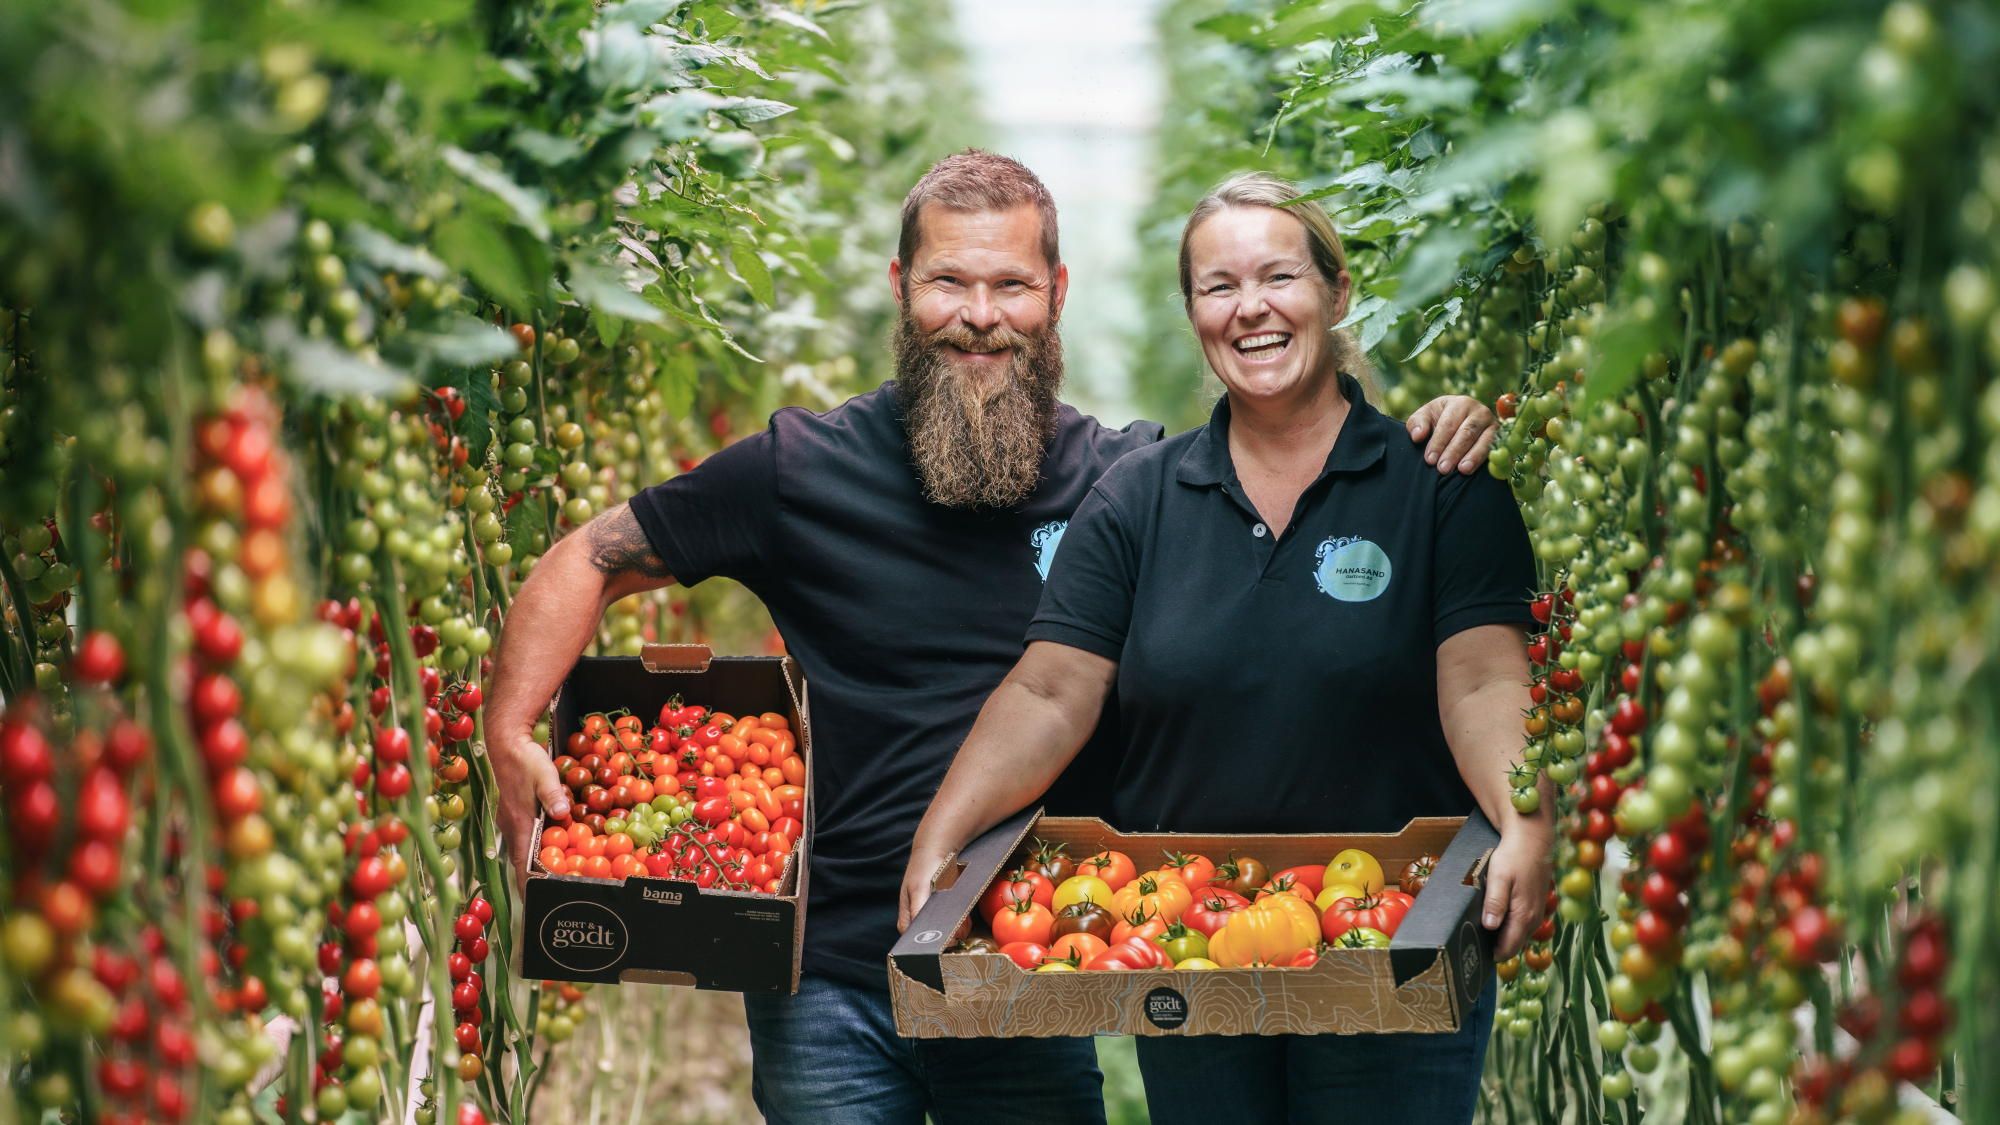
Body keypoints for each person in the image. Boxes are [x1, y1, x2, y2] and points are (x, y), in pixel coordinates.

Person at [485, 151, 1500, 1125]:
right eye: (948, 283)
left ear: (1056, 294)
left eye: (1011, 284)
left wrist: (1424, 437)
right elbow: (592, 558)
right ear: (901, 288)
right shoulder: (798, 470)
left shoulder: (1124, 482)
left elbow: (1285, 507)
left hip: (1020, 955)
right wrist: (510, 728)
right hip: (828, 972)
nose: (980, 315)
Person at [899, 171, 1553, 1125]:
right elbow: (1049, 693)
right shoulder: (1137, 499)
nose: (1251, 308)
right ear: (1194, 314)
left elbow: (1485, 678)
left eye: (1279, 276)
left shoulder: (1439, 483)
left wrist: (1526, 816)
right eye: (1219, 286)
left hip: (1395, 942)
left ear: (1336, 291)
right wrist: (943, 835)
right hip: (1190, 941)